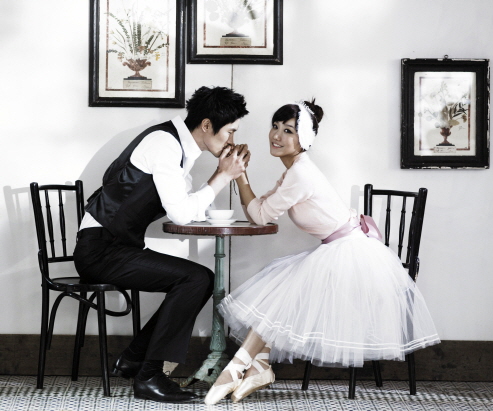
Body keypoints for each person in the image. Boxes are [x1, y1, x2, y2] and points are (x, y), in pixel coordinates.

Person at [204, 99, 440, 405]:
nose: (277, 135)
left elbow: (259, 216)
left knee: (283, 290)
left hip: (354, 257)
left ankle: (237, 368)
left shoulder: (300, 174)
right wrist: (240, 173)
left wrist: (239, 175)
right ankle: (258, 366)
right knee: (282, 289)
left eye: (288, 130)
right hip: (340, 249)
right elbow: (259, 211)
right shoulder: (294, 171)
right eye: (275, 126)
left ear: (304, 139)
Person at [73, 86, 251, 403]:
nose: (231, 140)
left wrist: (220, 174)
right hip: (99, 250)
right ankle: (149, 377)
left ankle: (134, 360)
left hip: (117, 247)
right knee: (195, 279)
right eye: (230, 131)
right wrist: (223, 176)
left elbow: (188, 209)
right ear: (207, 125)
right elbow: (181, 213)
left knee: (200, 279)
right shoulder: (164, 144)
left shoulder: (178, 148)